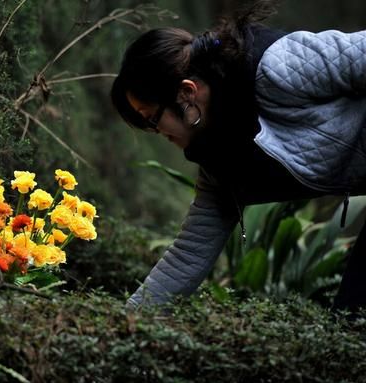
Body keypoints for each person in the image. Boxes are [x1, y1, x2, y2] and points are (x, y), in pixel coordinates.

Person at [110, 0, 366, 311]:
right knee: (351, 318)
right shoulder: (221, 168)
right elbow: (188, 256)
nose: (157, 131)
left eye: (152, 118)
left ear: (186, 92)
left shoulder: (279, 67)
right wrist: (126, 322)